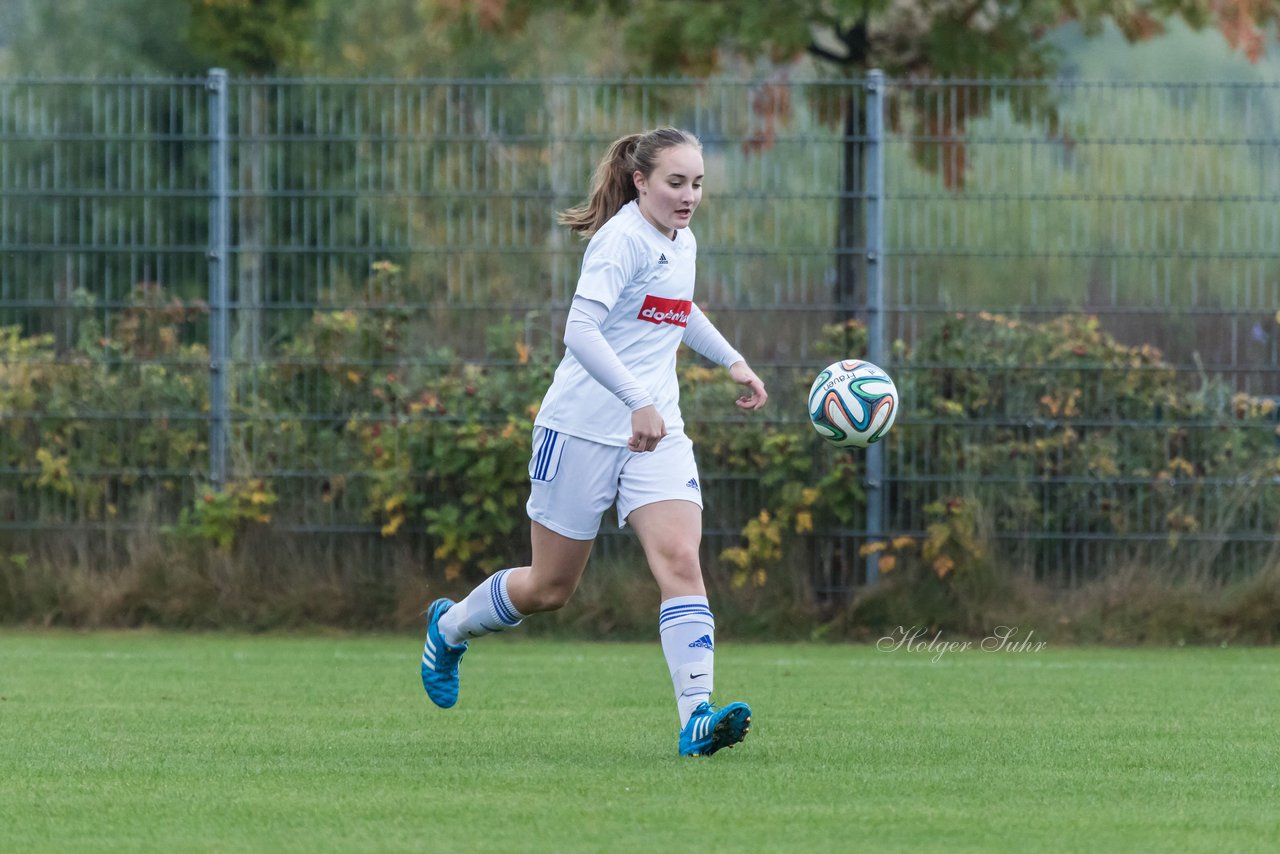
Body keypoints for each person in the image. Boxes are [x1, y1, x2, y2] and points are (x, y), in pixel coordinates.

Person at [420, 127, 769, 757]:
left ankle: (697, 720)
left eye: (697, 184)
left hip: (657, 432)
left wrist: (733, 361)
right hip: (580, 429)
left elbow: (678, 308)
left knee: (682, 564)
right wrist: (634, 398)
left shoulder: (680, 238)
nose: (688, 196)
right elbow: (579, 331)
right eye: (675, 183)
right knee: (550, 590)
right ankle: (448, 628)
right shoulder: (619, 242)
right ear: (640, 181)